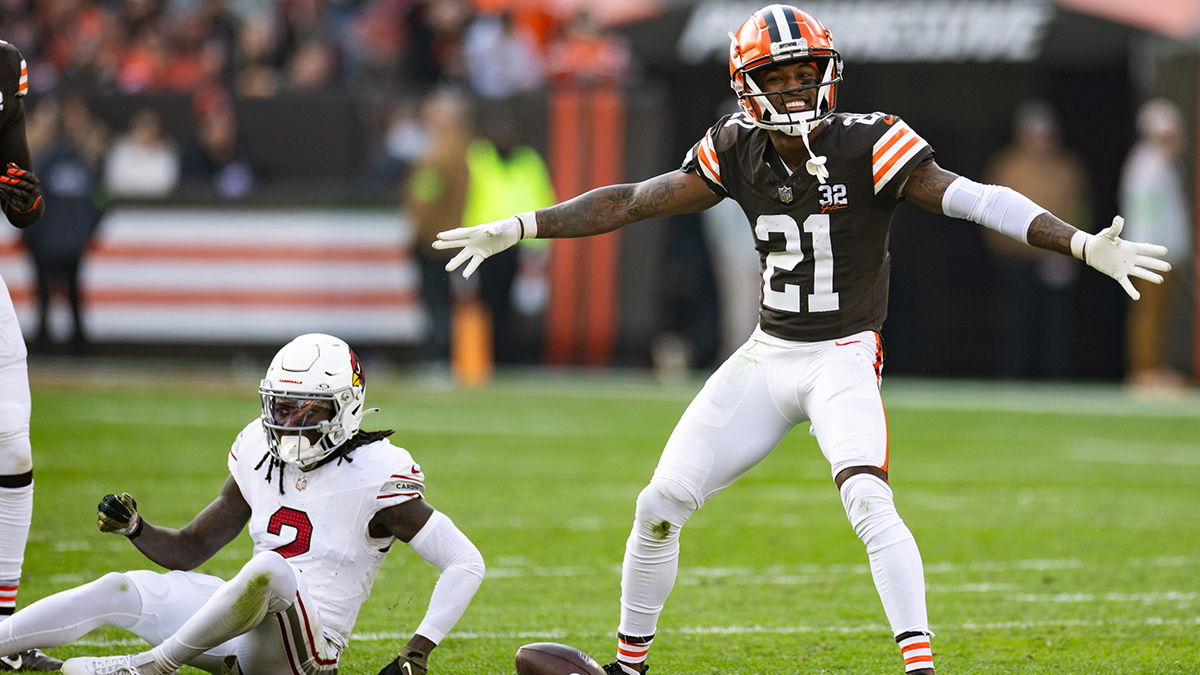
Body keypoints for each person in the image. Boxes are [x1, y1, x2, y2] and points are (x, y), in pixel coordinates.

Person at [432, 6, 1171, 674]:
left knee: (869, 503)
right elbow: (631, 201)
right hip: (767, 353)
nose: (793, 89)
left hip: (842, 355)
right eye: (776, 78)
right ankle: (629, 667)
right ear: (747, 87)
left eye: (804, 74)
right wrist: (522, 226)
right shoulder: (734, 148)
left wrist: (1078, 244)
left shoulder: (869, 141)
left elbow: (972, 198)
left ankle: (921, 668)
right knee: (657, 503)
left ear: (829, 74)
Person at [0, 333, 485, 675]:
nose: (288, 422)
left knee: (271, 569)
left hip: (305, 658)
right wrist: (137, 530)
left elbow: (465, 561)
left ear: (346, 408)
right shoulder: (258, 447)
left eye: (306, 410)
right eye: (281, 406)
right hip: (240, 634)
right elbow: (192, 548)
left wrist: (417, 651)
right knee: (120, 589)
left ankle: (149, 668)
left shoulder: (377, 472)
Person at [0, 38, 55, 673]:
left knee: (12, 440)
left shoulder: (3, 61)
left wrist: (26, 200)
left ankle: (2, 635)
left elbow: (21, 194)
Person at [983, 100, 1091, 378]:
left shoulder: (1067, 167)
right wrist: (1001, 248)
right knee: (1016, 325)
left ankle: (1057, 380)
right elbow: (988, 210)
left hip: (1056, 260)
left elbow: (1081, 208)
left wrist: (1076, 247)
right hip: (1016, 259)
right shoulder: (1008, 166)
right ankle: (1012, 379)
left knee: (1058, 327)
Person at [1119, 98, 1192, 391]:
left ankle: (1154, 367)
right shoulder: (1147, 165)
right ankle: (1144, 370)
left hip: (1163, 252)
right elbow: (1145, 212)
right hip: (1149, 253)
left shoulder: (1163, 163)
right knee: (1147, 311)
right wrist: (1145, 252)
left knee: (1159, 313)